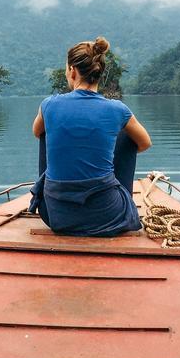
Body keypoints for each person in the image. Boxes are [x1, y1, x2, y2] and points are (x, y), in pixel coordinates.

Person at [29, 36, 152, 236]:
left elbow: (36, 132)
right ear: (99, 72)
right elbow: (145, 143)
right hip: (109, 215)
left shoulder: (49, 104)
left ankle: (53, 195)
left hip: (55, 216)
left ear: (72, 71)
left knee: (45, 131)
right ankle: (122, 195)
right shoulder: (118, 109)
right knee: (129, 137)